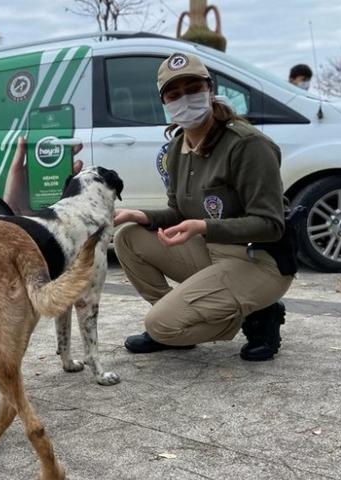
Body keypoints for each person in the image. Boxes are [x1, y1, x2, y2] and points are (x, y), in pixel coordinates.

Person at [113, 52, 294, 361]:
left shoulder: (247, 145)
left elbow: (271, 225)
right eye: (174, 94)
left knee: (160, 325)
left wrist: (204, 227)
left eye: (193, 88)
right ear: (165, 103)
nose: (185, 98)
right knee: (128, 236)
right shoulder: (176, 147)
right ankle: (180, 323)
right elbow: (180, 211)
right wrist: (138, 214)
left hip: (259, 260)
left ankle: (258, 314)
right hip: (212, 250)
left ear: (210, 90)